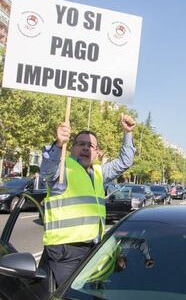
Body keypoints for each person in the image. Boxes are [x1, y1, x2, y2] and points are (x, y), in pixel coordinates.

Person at [39, 113, 136, 288]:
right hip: (65, 251)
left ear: (97, 153)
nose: (86, 148)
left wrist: (127, 133)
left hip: (93, 249)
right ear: (71, 148)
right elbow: (47, 170)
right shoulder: (62, 168)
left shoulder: (99, 173)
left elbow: (125, 161)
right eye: (80, 144)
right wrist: (58, 144)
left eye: (91, 145)